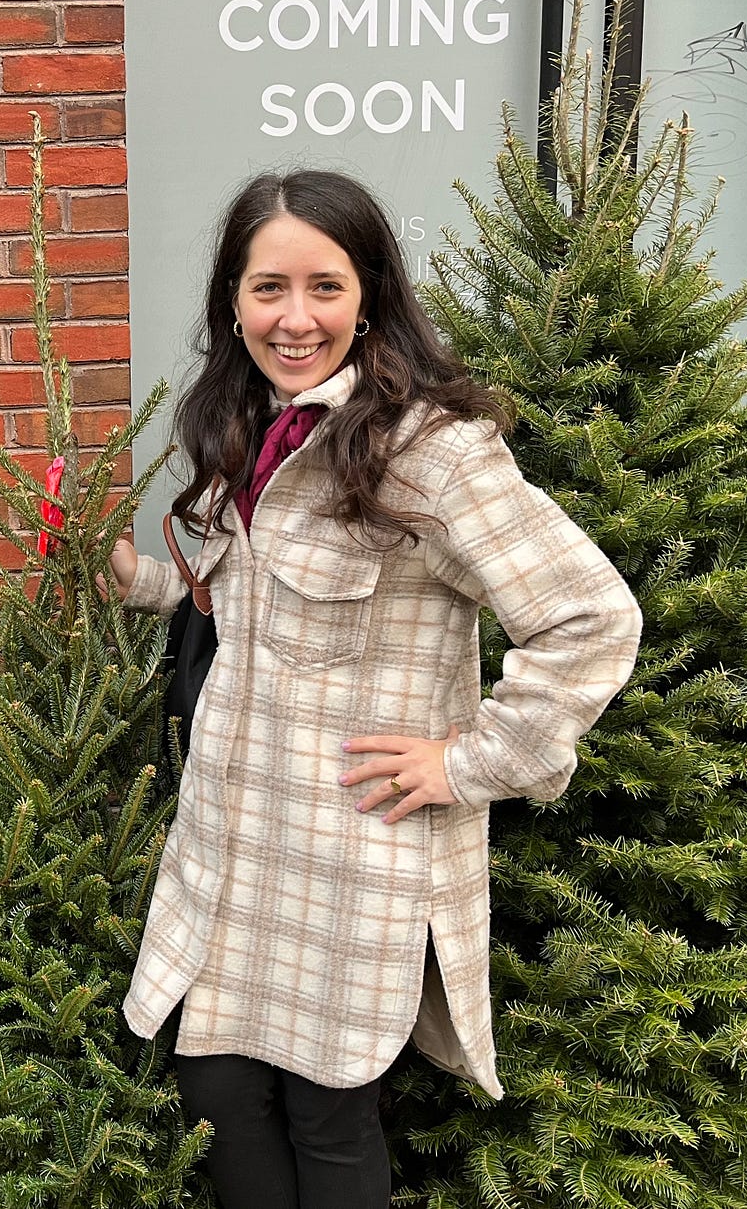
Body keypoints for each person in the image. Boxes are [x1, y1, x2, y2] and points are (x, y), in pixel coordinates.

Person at [106, 170, 643, 1209]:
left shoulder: (427, 452)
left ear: (369, 298)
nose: (294, 316)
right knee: (214, 1080)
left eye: (324, 286)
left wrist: (467, 761)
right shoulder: (246, 424)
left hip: (349, 856)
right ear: (232, 299)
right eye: (268, 288)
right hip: (233, 840)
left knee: (328, 1105)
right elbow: (237, 590)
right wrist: (143, 583)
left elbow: (589, 615)